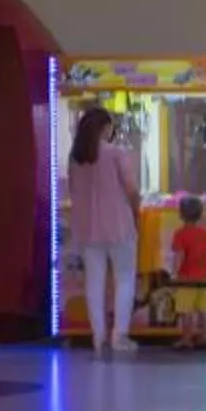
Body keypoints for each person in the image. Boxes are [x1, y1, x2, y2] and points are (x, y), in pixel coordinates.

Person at [65, 107, 141, 356]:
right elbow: (131, 190)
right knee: (125, 279)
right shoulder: (116, 153)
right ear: (104, 128)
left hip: (87, 229)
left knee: (94, 283)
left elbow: (74, 192)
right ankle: (119, 336)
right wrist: (136, 213)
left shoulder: (75, 158)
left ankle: (99, 337)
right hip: (119, 226)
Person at [166, 195, 206, 347]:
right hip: (203, 278)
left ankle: (186, 338)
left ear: (181, 215)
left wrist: (174, 274)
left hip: (186, 278)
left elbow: (179, 256)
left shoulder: (180, 234)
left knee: (186, 310)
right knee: (203, 309)